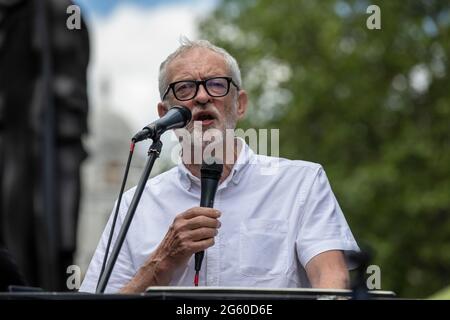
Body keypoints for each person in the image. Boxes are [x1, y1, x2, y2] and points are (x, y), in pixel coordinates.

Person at [79, 39, 359, 293]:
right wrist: (161, 264)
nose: (202, 97)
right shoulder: (133, 206)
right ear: (165, 114)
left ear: (240, 104)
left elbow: (332, 280)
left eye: (216, 84)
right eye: (185, 87)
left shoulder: (302, 183)